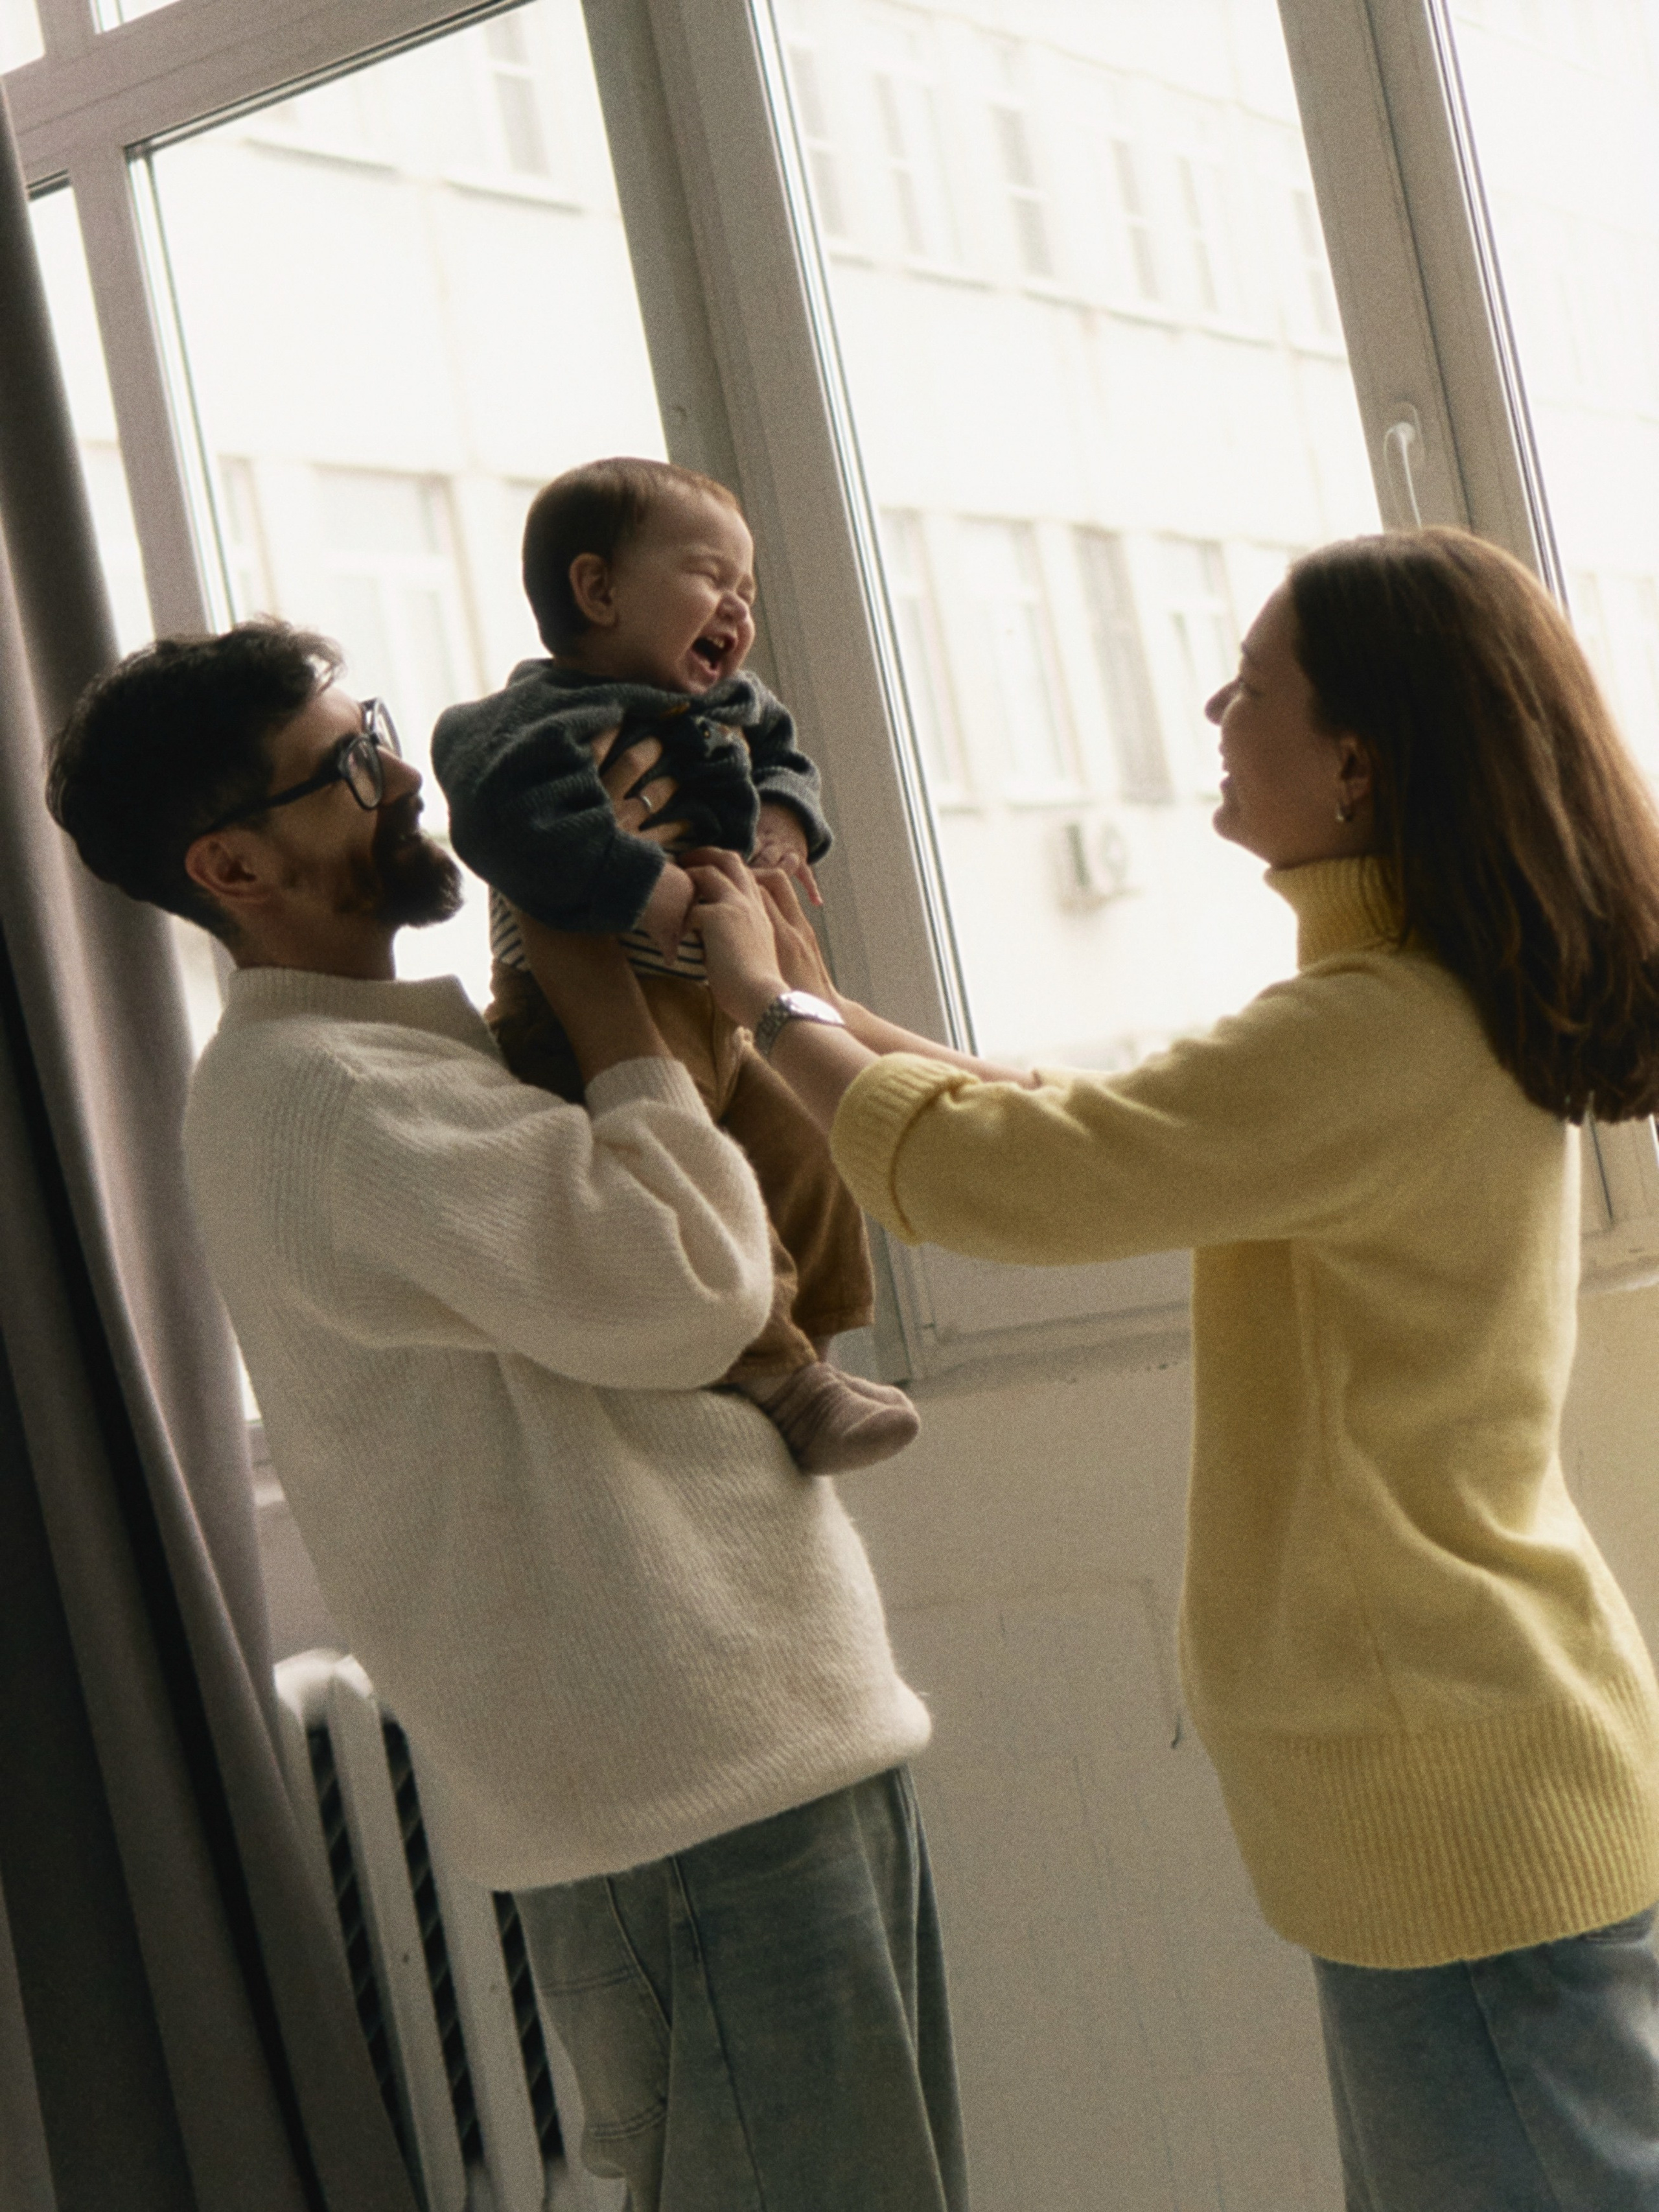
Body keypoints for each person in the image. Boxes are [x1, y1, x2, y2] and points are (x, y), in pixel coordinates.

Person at [688, 527, 1659, 2212]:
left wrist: (768, 1014)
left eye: (1257, 684)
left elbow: (1016, 1182)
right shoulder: (1391, 1002)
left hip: (1457, 1793)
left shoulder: (1370, 1026)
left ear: (1357, 760)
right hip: (1464, 1780)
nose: (1217, 706)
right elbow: (1089, 1130)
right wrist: (823, 1006)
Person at [44, 620, 968, 2212]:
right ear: (233, 865)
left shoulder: (408, 1060)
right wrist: (586, 952)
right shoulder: (322, 1103)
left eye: (376, 728)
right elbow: (686, 1281)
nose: (401, 776)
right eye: (343, 766)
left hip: (758, 1756)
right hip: (682, 1803)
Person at [430, 454, 918, 1474]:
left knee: (808, 1146)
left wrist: (783, 819)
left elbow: (785, 753)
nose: (738, 609)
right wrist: (643, 886)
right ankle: (777, 1368)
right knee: (689, 1190)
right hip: (593, 1011)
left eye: (748, 590)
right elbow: (500, 814)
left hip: (724, 1000)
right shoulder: (534, 716)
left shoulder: (733, 702)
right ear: (598, 589)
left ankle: (817, 1346)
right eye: (711, 578)